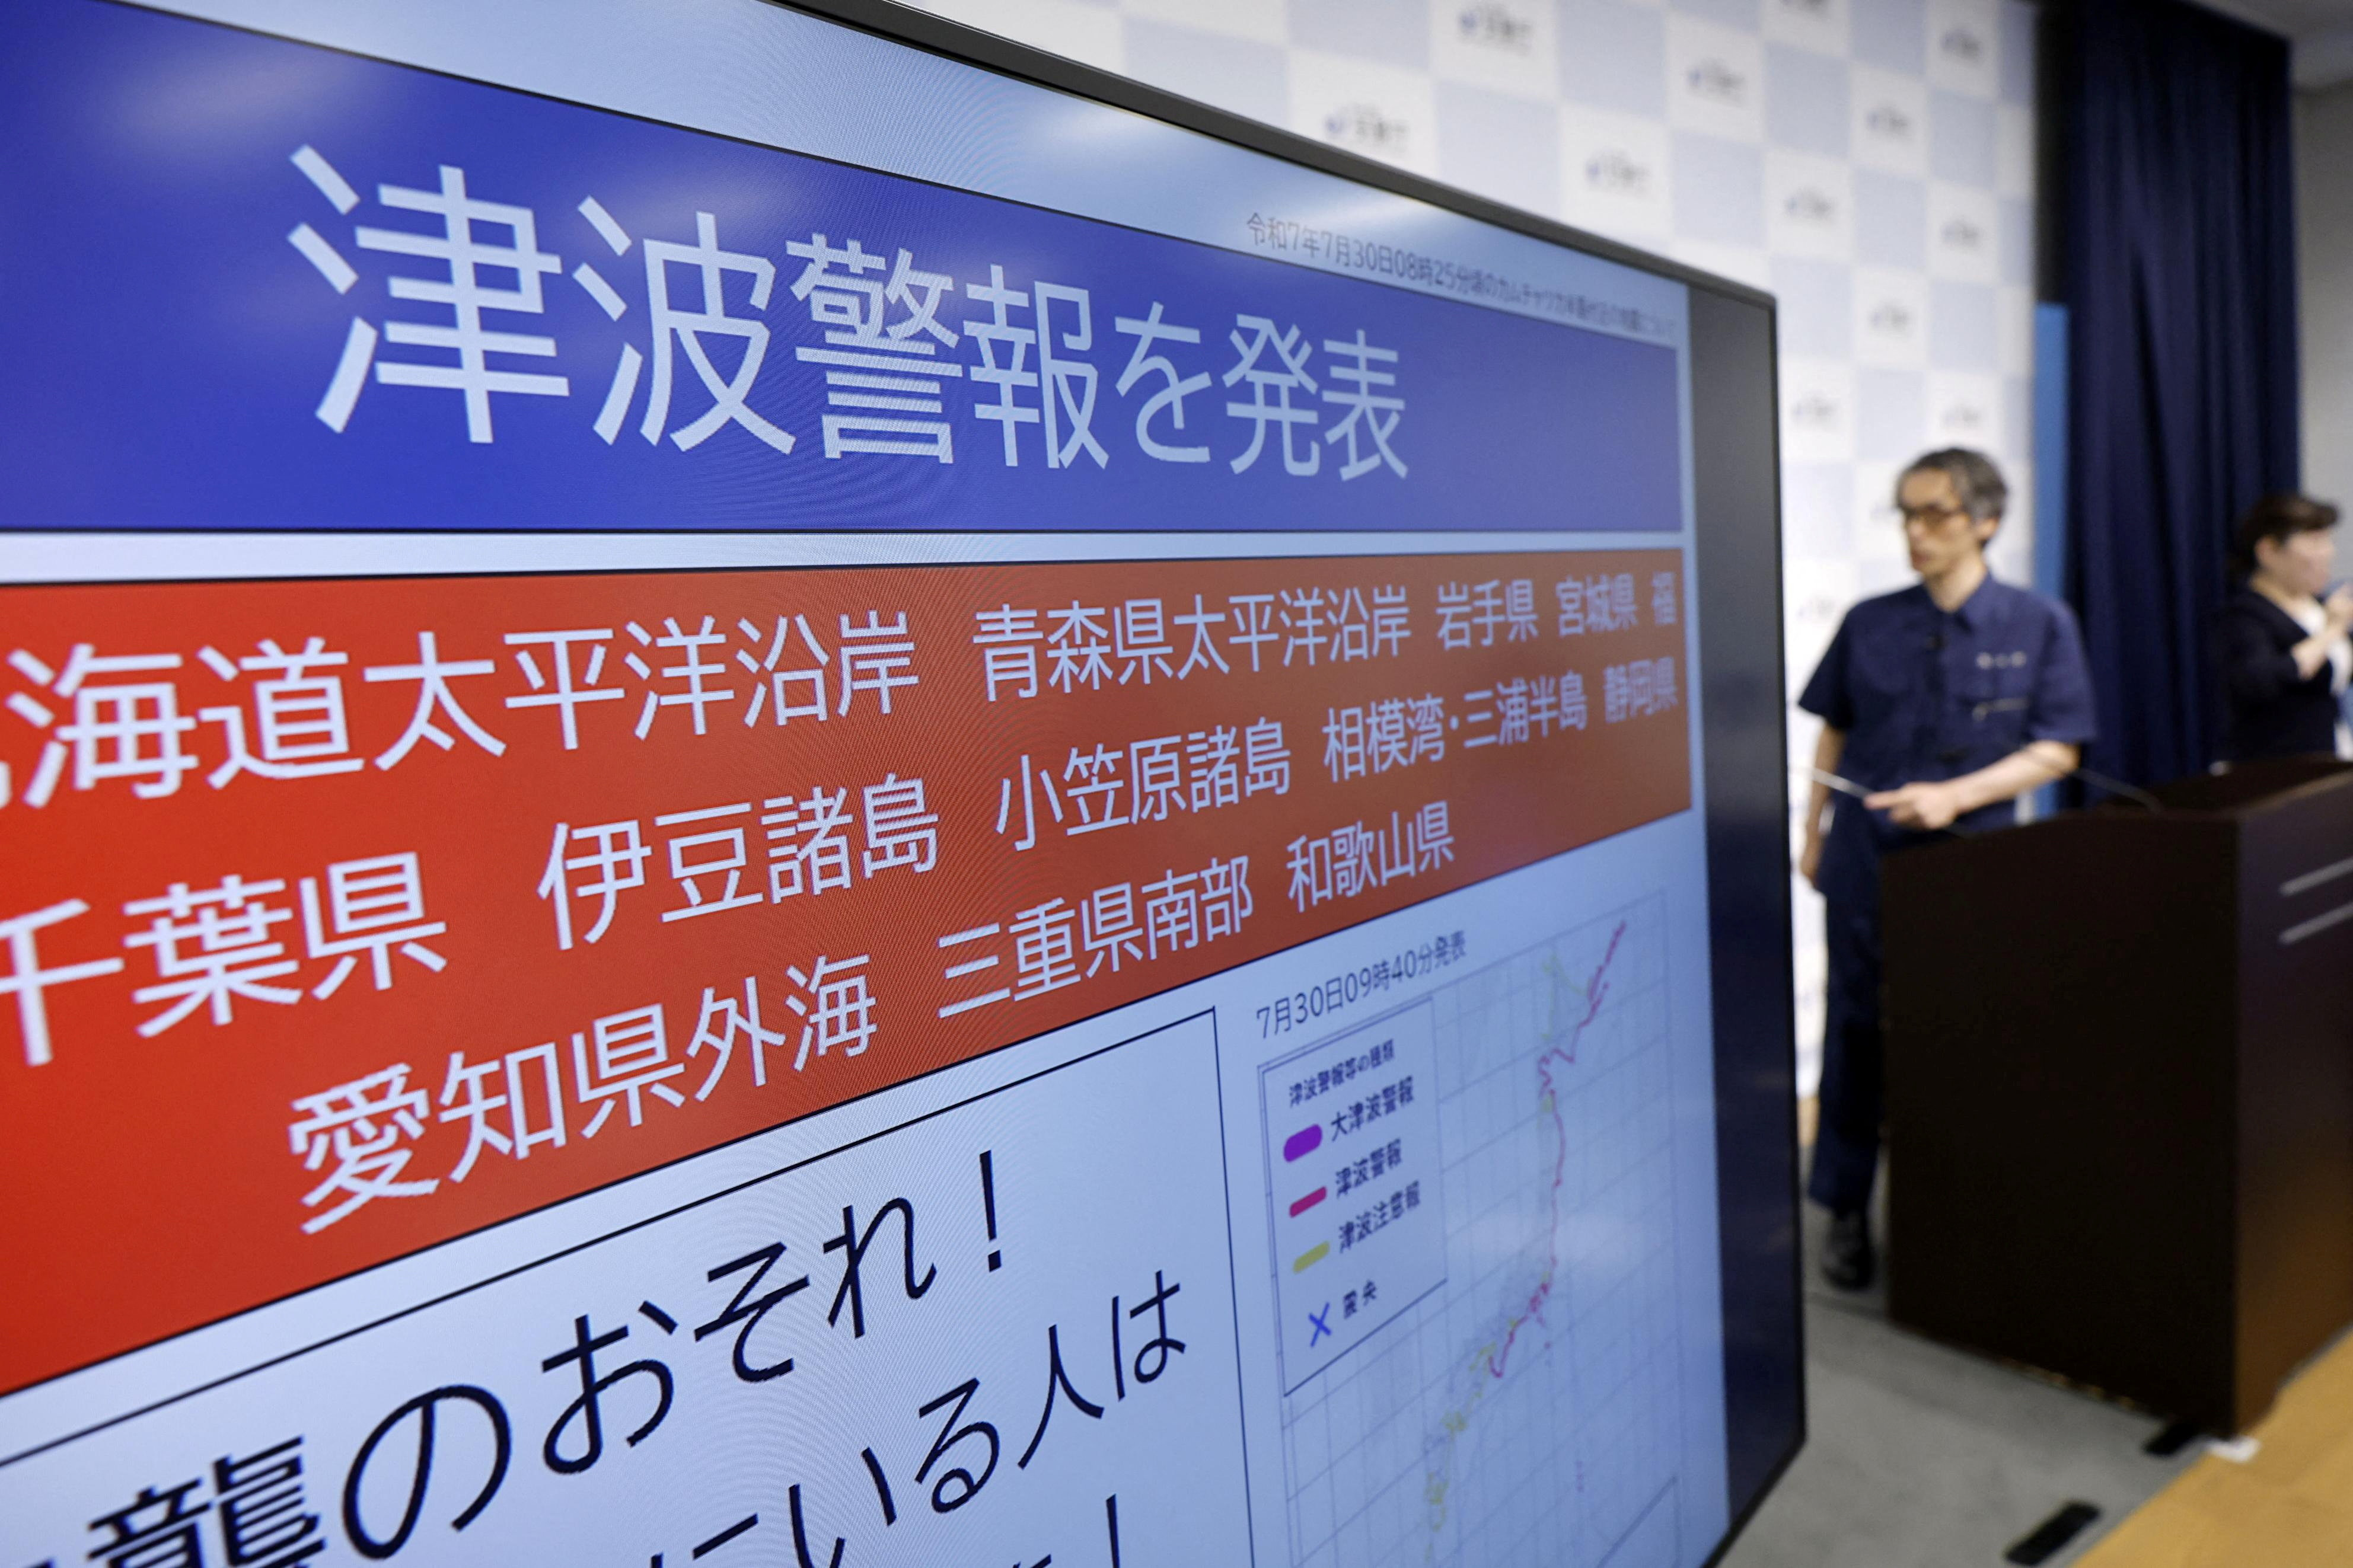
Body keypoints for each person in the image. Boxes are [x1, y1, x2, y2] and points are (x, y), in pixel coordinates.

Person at [1795, 448, 2096, 1291]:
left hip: (1974, 862)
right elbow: (1834, 730)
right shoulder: (1869, 620)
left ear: (1986, 521)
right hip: (1864, 857)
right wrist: (1814, 832)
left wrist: (1957, 796)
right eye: (1906, 515)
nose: (1917, 533)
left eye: (1937, 515)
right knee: (1856, 1030)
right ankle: (1848, 1208)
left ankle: (1963, 1208)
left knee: (1970, 1031)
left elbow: (2057, 749)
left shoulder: (2039, 623)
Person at [2216, 493, 2352, 764]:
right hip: (2274, 769)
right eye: (2314, 541)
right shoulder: (2244, 615)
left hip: (2330, 755)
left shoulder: (2318, 605)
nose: (2328, 552)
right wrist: (2332, 630)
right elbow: (2263, 680)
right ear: (2268, 551)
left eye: (2327, 540)